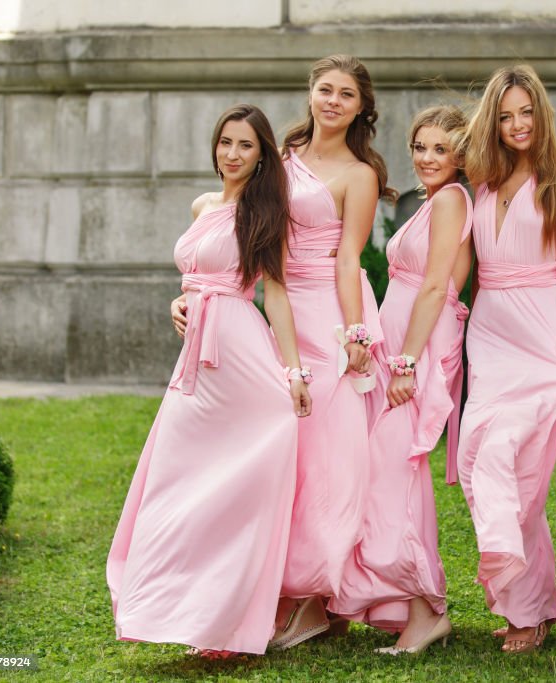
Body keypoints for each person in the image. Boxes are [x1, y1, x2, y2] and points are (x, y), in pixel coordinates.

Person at [170, 54, 393, 649]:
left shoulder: (360, 173)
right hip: (268, 313)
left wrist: (354, 335)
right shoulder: (280, 154)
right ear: (310, 93)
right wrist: (196, 296)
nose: (333, 101)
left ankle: (316, 595)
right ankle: (274, 590)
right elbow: (236, 225)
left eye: (347, 94)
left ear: (360, 107)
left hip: (329, 311)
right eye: (325, 89)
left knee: (328, 455)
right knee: (279, 455)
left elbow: (351, 259)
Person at [108, 104, 312, 658]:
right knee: (175, 480)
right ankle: (165, 605)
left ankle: (224, 622)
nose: (233, 154)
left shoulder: (264, 209)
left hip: (240, 355)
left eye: (246, 145)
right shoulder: (203, 205)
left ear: (262, 153)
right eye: (226, 142)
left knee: (237, 488)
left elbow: (277, 293)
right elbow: (195, 275)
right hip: (195, 362)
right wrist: (180, 299)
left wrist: (292, 372)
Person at [456, 65, 556, 654]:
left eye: (526, 113)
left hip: (541, 338)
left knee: (519, 473)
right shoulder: (480, 184)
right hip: (490, 334)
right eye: (505, 114)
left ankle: (524, 610)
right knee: (472, 457)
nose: (516, 124)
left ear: (542, 115)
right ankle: (532, 599)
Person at [331, 105, 473, 655]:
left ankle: (425, 610)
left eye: (441, 148)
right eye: (421, 146)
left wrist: (409, 363)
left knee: (400, 472)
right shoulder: (429, 203)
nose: (428, 157)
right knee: (387, 475)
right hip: (399, 346)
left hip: (421, 349)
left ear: (461, 154)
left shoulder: (453, 201)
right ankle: (402, 603)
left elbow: (437, 286)